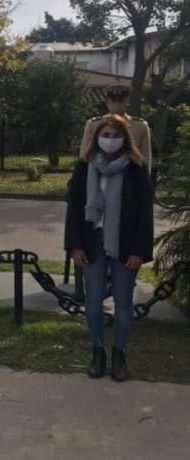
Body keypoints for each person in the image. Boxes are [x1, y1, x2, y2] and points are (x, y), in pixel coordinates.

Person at [65, 114, 153, 382]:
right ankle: (98, 351)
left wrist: (139, 251)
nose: (110, 140)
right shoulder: (85, 166)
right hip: (92, 241)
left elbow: (144, 213)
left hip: (125, 243)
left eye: (116, 136)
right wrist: (74, 245)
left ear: (125, 139)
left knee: (123, 300)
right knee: (93, 299)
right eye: (105, 135)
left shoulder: (136, 168)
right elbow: (74, 208)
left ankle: (119, 354)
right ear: (97, 138)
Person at [80, 84, 152, 169]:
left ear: (127, 102)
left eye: (120, 100)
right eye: (113, 100)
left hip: (130, 172)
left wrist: (145, 176)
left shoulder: (140, 126)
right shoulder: (93, 124)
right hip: (98, 171)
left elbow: (145, 159)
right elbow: (84, 155)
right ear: (107, 102)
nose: (117, 104)